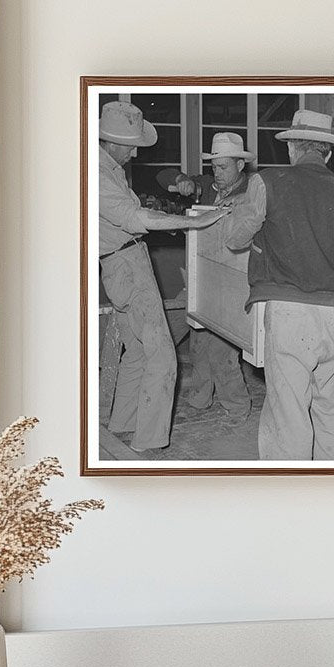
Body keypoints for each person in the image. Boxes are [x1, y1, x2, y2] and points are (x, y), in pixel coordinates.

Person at [225, 109, 334, 460]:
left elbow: (234, 238)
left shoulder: (266, 182)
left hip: (289, 316)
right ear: (328, 153)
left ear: (291, 149)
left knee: (290, 417)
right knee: (333, 418)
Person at [98, 101, 223, 452]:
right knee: (163, 356)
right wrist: (194, 221)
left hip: (121, 261)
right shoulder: (97, 173)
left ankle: (123, 426)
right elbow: (135, 219)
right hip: (126, 263)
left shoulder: (108, 168)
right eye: (131, 144)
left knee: (137, 350)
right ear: (111, 140)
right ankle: (148, 442)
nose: (136, 151)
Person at [156, 133, 253, 422]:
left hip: (233, 277)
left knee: (222, 349)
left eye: (223, 167)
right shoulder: (206, 188)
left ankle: (237, 406)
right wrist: (181, 179)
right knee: (198, 341)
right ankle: (200, 397)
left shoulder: (253, 191)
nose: (218, 173)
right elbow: (163, 175)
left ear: (240, 166)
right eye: (214, 167)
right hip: (200, 275)